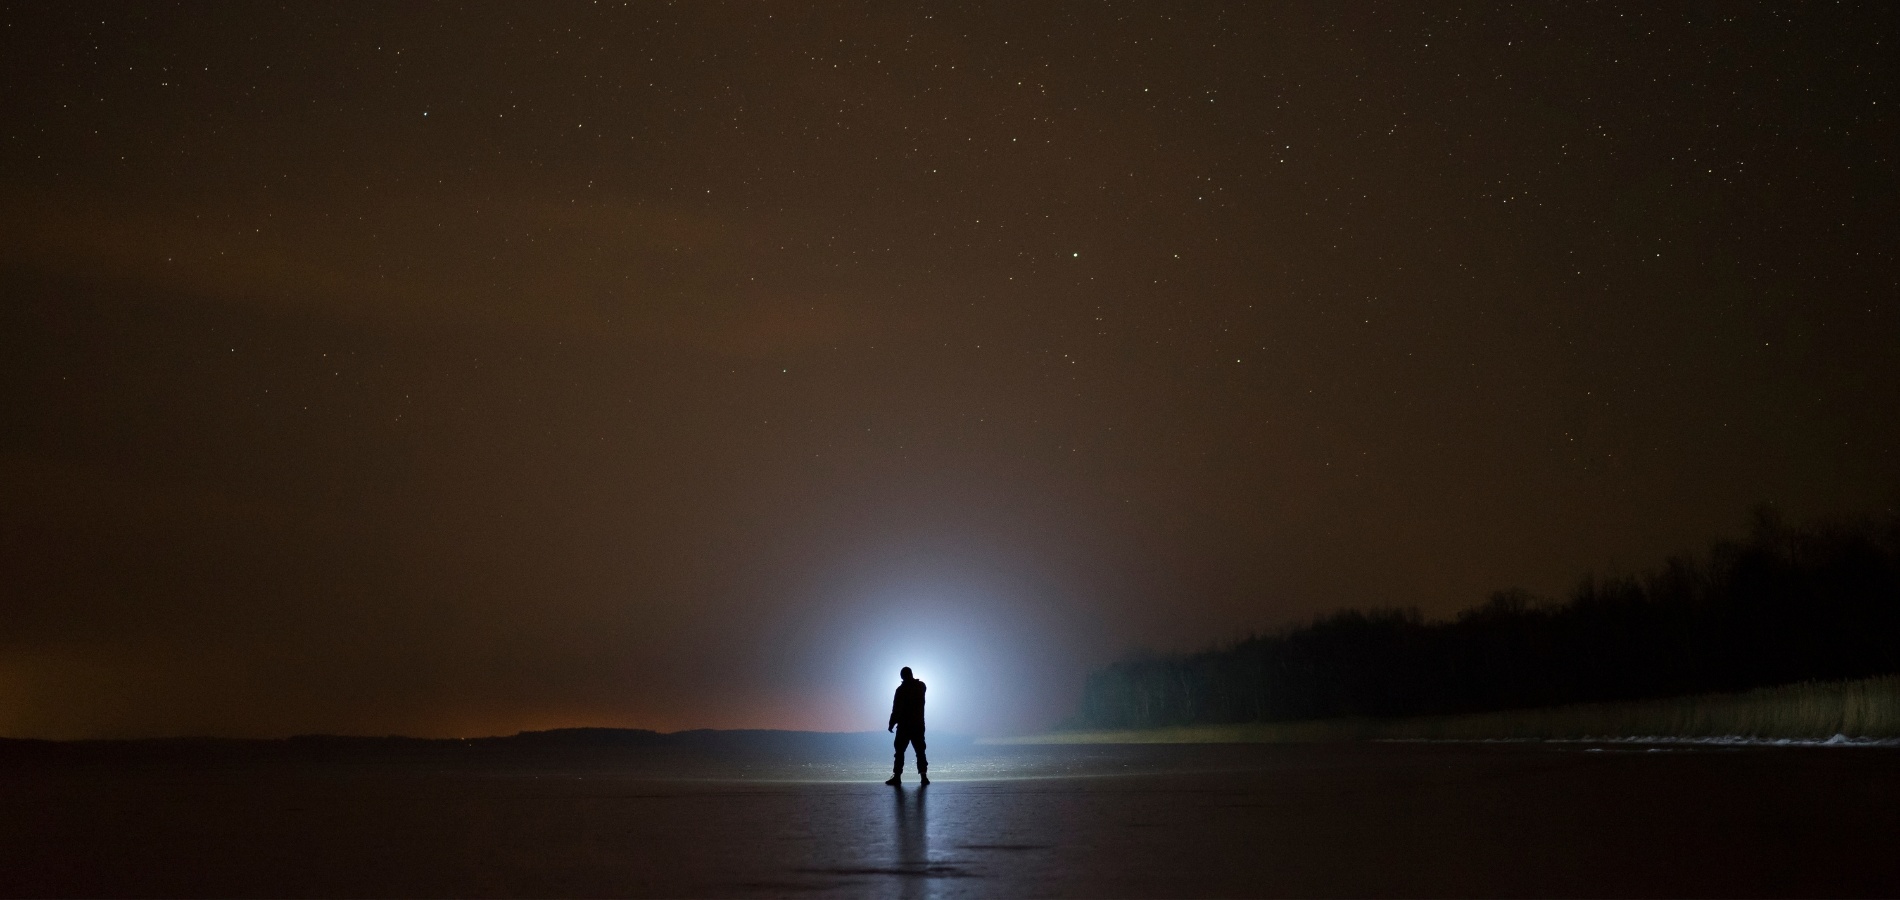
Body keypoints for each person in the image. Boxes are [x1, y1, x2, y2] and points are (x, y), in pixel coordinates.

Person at [885, 667, 928, 785]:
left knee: (899, 751)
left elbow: (896, 709)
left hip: (904, 726)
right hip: (918, 725)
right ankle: (924, 777)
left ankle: (897, 777)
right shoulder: (921, 686)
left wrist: (891, 724)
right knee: (920, 751)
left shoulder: (901, 690)